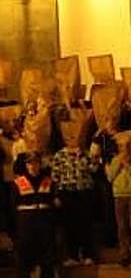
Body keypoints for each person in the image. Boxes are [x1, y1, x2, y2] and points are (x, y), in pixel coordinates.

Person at [51, 113, 99, 266]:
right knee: (69, 225)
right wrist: (57, 195)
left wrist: (83, 157)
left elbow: (94, 169)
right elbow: (55, 176)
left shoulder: (85, 154)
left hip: (84, 192)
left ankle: (87, 254)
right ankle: (72, 255)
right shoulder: (59, 156)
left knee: (85, 224)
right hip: (67, 193)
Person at [12, 151, 59, 278]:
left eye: (36, 163)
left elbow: (54, 203)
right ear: (26, 165)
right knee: (24, 259)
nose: (33, 166)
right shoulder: (18, 183)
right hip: (26, 225)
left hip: (45, 224)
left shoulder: (48, 182)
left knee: (48, 257)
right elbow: (11, 207)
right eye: (30, 163)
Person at [105, 133, 131, 268]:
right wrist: (118, 164)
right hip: (119, 195)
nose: (125, 149)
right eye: (122, 147)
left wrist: (128, 165)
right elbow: (110, 177)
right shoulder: (115, 159)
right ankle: (124, 254)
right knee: (122, 226)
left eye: (127, 146)